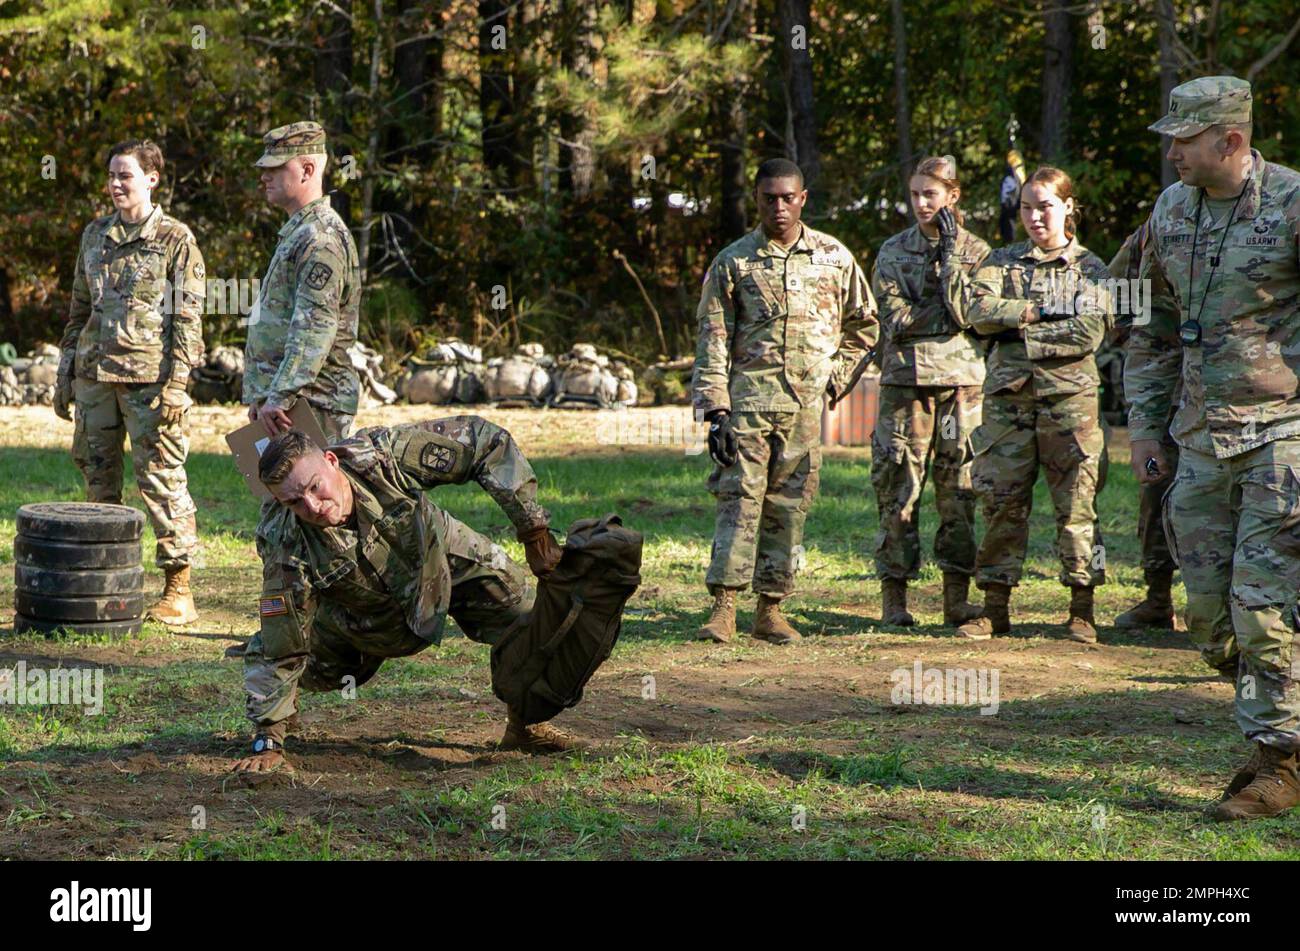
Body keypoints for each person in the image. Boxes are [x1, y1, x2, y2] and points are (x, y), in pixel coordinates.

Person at [1127, 76, 1300, 820]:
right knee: (1208, 619)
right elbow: (1153, 325)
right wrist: (1145, 425)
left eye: (1185, 139)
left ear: (1230, 140)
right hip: (1199, 438)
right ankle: (1279, 730)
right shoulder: (1170, 210)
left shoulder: (1292, 204)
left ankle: (1280, 762)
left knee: (1263, 608)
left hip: (1283, 435)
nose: (1172, 152)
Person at [232, 416, 570, 776]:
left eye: (315, 487)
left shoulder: (383, 456)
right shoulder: (285, 540)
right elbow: (282, 642)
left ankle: (525, 726)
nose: (313, 506)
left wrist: (534, 531)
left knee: (524, 614)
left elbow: (485, 443)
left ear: (331, 461)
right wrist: (268, 741)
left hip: (438, 560)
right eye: (295, 501)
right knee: (313, 667)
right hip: (362, 618)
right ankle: (285, 710)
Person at [691, 158, 878, 645]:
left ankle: (771, 609)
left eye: (787, 198)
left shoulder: (834, 258)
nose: (779, 207)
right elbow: (713, 337)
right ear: (756, 199)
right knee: (739, 501)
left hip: (804, 410)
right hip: (747, 405)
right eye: (769, 198)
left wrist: (834, 380)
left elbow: (865, 324)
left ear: (803, 199)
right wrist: (715, 411)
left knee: (790, 506)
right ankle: (724, 607)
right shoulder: (734, 262)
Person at [958, 166, 1114, 643]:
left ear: (1067, 206)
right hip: (1008, 405)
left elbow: (1088, 331)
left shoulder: (1090, 268)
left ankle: (1082, 609)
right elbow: (975, 311)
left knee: (1077, 507)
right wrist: (1035, 311)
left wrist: (1017, 334)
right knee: (1000, 502)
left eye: (1044, 206)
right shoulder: (1000, 261)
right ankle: (994, 608)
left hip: (1070, 404)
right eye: (1026, 207)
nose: (1034, 217)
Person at [54, 139, 205, 625]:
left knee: (161, 480)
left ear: (152, 179)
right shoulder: (95, 235)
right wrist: (65, 372)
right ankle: (108, 579)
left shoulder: (175, 239)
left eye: (126, 175)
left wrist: (178, 382)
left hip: (150, 384)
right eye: (111, 176)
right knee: (98, 480)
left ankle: (178, 589)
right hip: (95, 378)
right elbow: (79, 309)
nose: (116, 184)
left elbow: (187, 318)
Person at [870, 155, 991, 626]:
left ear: (952, 196)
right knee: (898, 486)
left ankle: (956, 599)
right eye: (915, 194)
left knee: (959, 489)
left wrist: (950, 263)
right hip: (907, 384)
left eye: (931, 195)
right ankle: (894, 599)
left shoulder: (977, 253)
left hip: (962, 386)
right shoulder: (893, 250)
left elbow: (975, 315)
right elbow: (896, 320)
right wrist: (950, 313)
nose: (921, 203)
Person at [244, 120, 359, 442]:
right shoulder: (300, 232)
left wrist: (279, 396)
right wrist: (264, 395)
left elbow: (314, 327)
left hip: (312, 403)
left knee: (310, 478)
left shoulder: (320, 238)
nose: (264, 176)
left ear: (307, 170)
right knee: (272, 478)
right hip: (290, 402)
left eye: (276, 168)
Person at [1107, 217, 1180, 631]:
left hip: (1238, 391)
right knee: (1156, 488)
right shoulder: (1159, 226)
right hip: (1163, 392)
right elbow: (1113, 283)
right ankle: (1157, 597)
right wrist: (1128, 330)